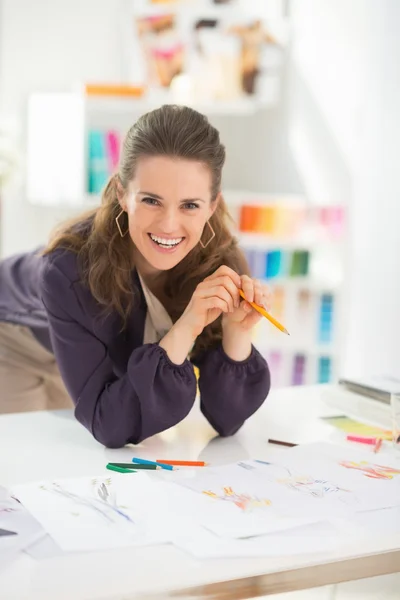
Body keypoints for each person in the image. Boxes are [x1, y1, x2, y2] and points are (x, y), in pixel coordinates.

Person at [0, 104, 271, 448]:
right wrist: (185, 327)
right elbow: (108, 425)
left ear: (212, 205)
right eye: (151, 201)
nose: (169, 225)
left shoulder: (221, 264)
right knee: (26, 464)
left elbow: (227, 418)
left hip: (85, 349)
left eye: (190, 205)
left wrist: (236, 333)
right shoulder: (69, 270)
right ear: (121, 194)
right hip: (14, 341)